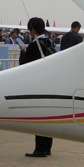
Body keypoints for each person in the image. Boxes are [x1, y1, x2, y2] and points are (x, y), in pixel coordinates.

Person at [21, 17, 56, 157]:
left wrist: (23, 52)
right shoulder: (49, 42)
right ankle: (47, 147)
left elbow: (25, 65)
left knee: (39, 116)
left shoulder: (34, 45)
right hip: (49, 84)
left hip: (38, 85)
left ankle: (40, 148)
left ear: (33, 31)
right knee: (48, 116)